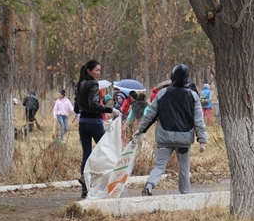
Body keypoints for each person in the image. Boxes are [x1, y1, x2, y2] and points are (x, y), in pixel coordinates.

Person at [134, 64, 207, 196]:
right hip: (184, 139)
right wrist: (202, 140)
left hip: (164, 137)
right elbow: (198, 119)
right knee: (184, 168)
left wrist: (141, 129)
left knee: (159, 165)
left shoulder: (162, 93)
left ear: (172, 77)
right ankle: (185, 195)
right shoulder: (192, 96)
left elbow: (150, 114)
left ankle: (149, 186)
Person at [74, 60, 121, 198]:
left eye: (100, 70)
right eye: (96, 70)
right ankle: (111, 183)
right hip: (94, 123)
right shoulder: (93, 84)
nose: (98, 73)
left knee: (86, 154)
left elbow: (76, 108)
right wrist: (110, 109)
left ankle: (85, 186)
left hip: (83, 123)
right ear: (89, 70)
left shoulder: (79, 85)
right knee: (107, 150)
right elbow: (93, 105)